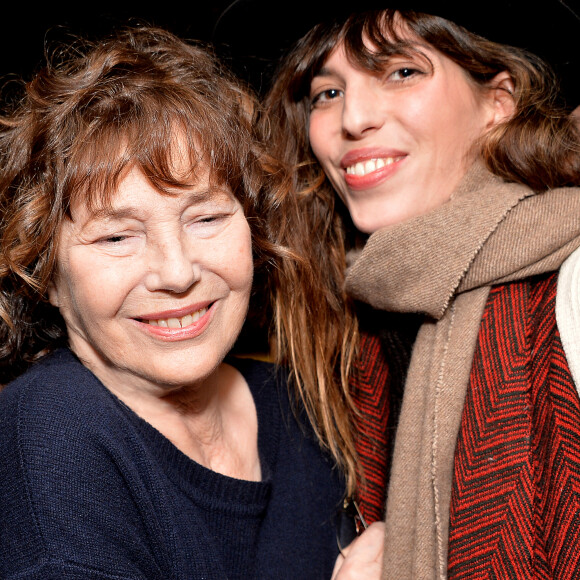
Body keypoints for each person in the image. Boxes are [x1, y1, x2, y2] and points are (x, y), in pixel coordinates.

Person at [0, 24, 381, 580]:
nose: (177, 273)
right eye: (116, 237)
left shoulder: (298, 402)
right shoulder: (54, 434)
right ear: (46, 275)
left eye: (205, 219)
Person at [217, 0, 580, 577]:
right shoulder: (350, 317)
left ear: (497, 102)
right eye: (327, 93)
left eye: (401, 72)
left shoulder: (570, 286)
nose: (354, 118)